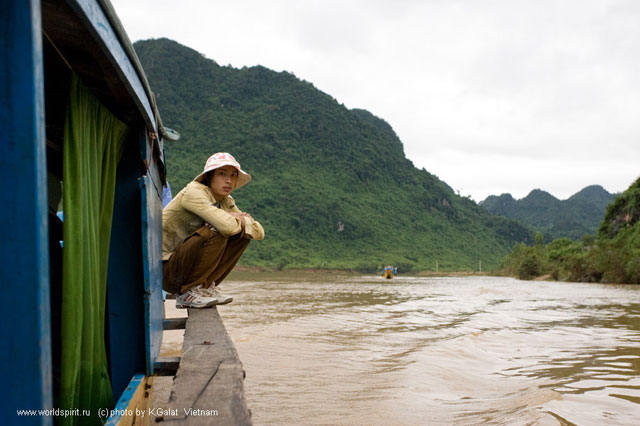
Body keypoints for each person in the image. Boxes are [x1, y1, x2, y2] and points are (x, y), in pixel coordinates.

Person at [162, 152, 264, 308]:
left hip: (183, 266)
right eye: (222, 174)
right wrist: (237, 219)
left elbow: (258, 232)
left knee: (243, 235)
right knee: (216, 231)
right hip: (165, 270)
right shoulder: (193, 193)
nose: (228, 180)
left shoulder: (225, 201)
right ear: (209, 177)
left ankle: (205, 287)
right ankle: (187, 293)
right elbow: (227, 227)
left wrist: (236, 219)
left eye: (233, 175)